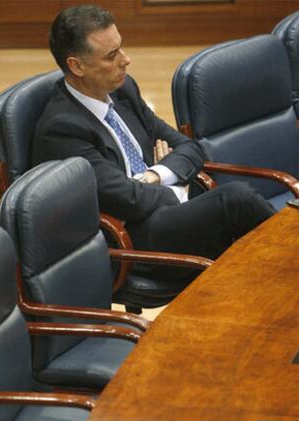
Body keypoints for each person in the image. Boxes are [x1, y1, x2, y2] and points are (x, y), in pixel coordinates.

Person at [32, 5, 274, 281]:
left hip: (158, 210)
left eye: (121, 48)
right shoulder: (62, 129)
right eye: (112, 56)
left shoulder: (123, 91)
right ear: (77, 65)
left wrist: (155, 175)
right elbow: (128, 200)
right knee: (236, 201)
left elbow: (189, 148)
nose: (126, 60)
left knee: (250, 257)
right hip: (128, 238)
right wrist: (176, 188)